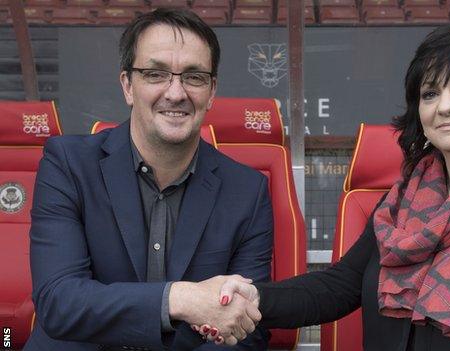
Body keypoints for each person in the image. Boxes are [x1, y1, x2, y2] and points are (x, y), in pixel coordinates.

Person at [201, 23, 450, 350]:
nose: (445, 106)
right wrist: (255, 298)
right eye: (430, 93)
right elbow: (339, 286)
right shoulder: (402, 199)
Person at [26, 8, 272, 351]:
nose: (175, 93)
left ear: (212, 91)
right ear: (128, 85)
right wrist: (180, 298)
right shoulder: (67, 164)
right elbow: (60, 301)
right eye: (156, 74)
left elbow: (247, 329)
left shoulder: (248, 191)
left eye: (194, 76)